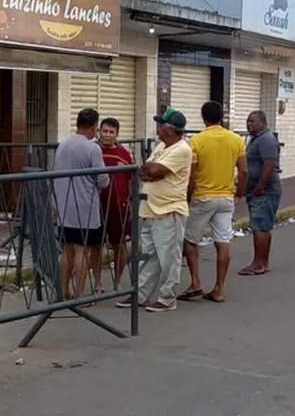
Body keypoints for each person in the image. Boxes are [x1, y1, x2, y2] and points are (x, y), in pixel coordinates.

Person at [117, 107, 192, 313]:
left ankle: (167, 298)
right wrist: (151, 171)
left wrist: (152, 171)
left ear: (170, 130)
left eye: (161, 125)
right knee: (150, 255)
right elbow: (146, 169)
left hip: (168, 209)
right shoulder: (161, 146)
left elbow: (155, 170)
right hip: (150, 208)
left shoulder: (182, 149)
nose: (158, 128)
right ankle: (140, 294)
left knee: (168, 257)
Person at [180, 102, 245, 303]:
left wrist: (188, 195)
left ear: (203, 117)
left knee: (190, 240)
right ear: (222, 117)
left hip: (202, 196)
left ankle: (196, 282)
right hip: (226, 198)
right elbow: (244, 171)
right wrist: (239, 193)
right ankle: (219, 289)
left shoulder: (196, 141)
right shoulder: (236, 139)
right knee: (222, 242)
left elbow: (192, 173)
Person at [53, 108, 110, 301]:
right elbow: (102, 180)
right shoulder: (92, 148)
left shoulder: (63, 145)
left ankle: (64, 292)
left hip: (64, 205)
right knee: (82, 250)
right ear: (94, 127)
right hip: (84, 205)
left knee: (67, 250)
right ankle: (80, 295)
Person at [94, 117, 134, 294]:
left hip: (118, 206)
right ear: (99, 132)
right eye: (104, 131)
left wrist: (131, 202)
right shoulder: (93, 151)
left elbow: (131, 180)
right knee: (95, 245)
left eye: (111, 132)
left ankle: (117, 282)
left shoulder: (124, 154)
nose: (107, 135)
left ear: (117, 134)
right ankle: (97, 283)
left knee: (120, 246)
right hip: (95, 205)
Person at [239, 111, 281, 276]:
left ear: (262, 122)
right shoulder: (257, 139)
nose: (249, 124)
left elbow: (269, 164)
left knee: (259, 227)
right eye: (247, 121)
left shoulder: (266, 139)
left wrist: (260, 186)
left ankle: (258, 263)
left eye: (252, 121)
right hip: (259, 189)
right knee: (263, 227)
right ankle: (263, 262)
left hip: (265, 190)